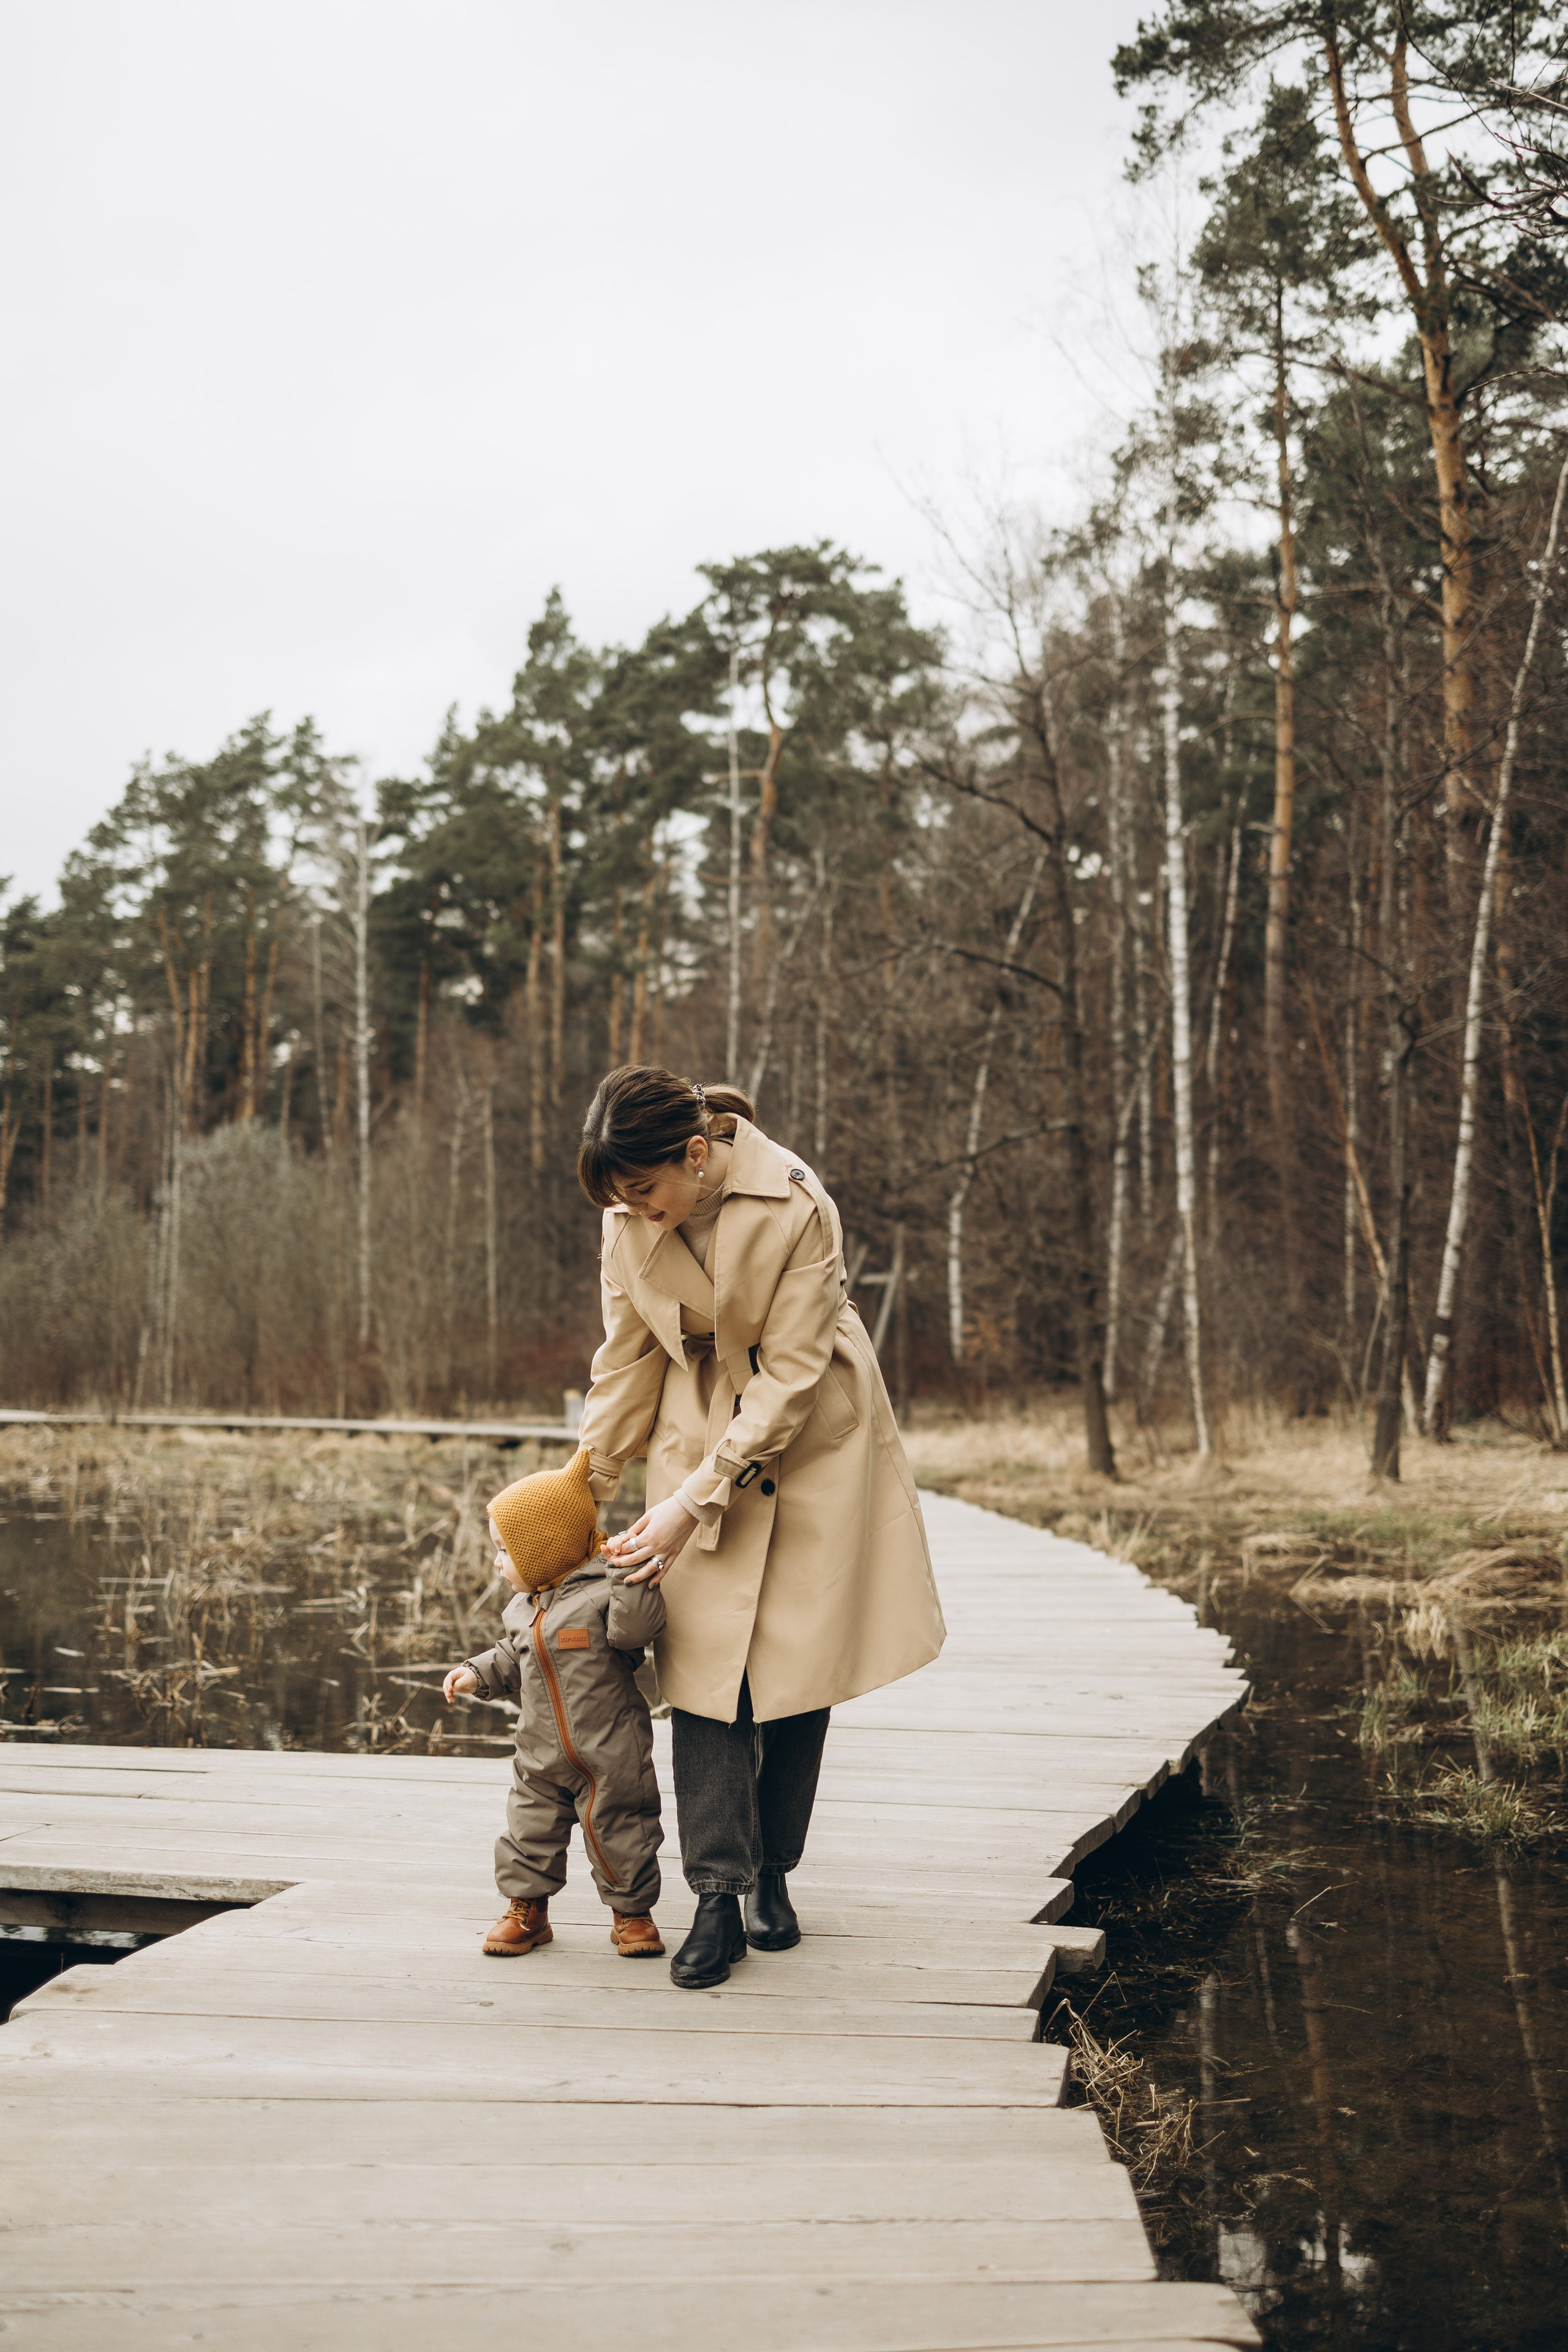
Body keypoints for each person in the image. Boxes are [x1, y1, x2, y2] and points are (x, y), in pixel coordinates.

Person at [575, 1063, 945, 1989]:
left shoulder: (796, 1203)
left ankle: (773, 1869)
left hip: (813, 1432)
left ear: (696, 1156)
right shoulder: (627, 1219)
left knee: (791, 1657)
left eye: (647, 1193)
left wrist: (693, 1503)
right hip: (696, 1420)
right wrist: (584, 1485)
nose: (637, 1214)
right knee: (702, 1662)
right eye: (622, 1202)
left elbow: (787, 1380)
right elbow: (624, 1362)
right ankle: (714, 1894)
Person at [443, 1446, 668, 1959]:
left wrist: (628, 1573)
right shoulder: (524, 1609)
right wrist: (475, 1672)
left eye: (505, 1550)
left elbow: (637, 1630)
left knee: (623, 1829)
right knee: (529, 1830)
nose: (497, 1562)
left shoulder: (601, 1597)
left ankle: (632, 1914)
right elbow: (512, 1657)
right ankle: (528, 1910)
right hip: (540, 1754)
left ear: (545, 1550)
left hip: (610, 1750)